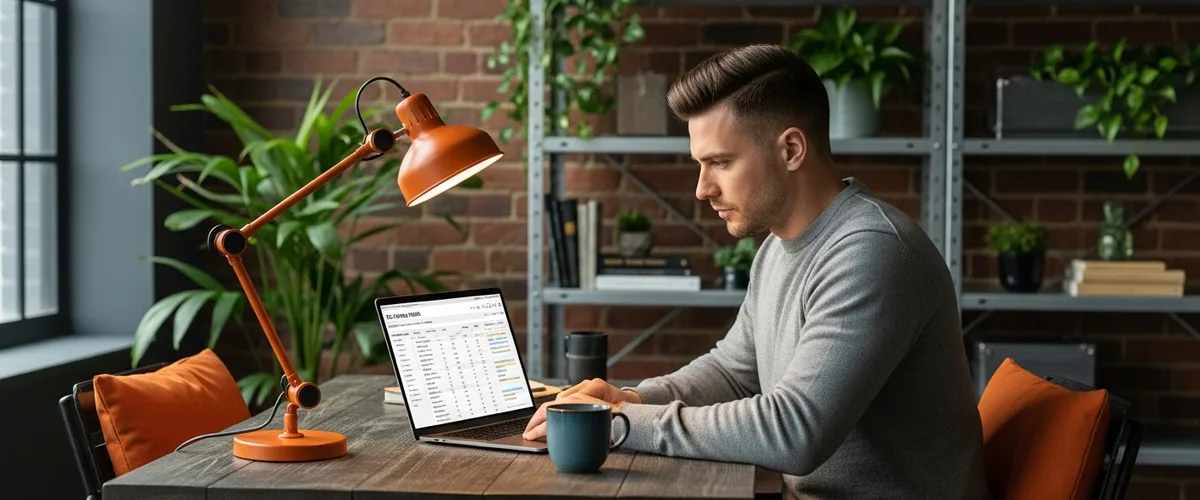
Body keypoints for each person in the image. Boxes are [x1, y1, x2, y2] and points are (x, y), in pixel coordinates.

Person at [522, 43, 990, 499]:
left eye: (720, 162)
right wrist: (633, 398)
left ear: (790, 149)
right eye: (700, 164)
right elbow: (733, 371)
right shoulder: (778, 248)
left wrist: (619, 421)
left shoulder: (872, 252)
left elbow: (795, 431)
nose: (703, 189)